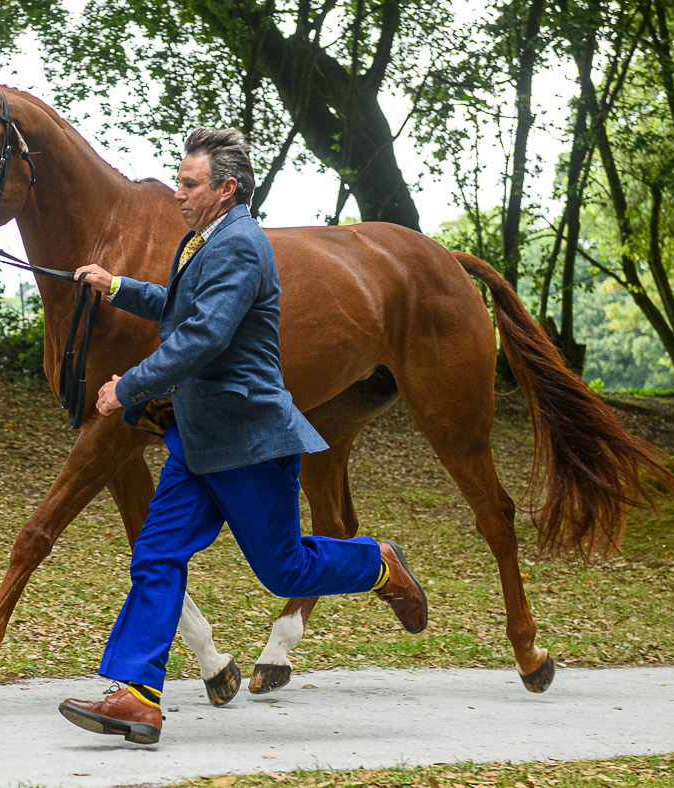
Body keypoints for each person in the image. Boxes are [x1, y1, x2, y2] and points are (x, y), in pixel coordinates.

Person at [62, 128, 427, 745]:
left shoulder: (240, 246)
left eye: (189, 183)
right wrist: (118, 286)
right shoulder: (203, 243)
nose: (177, 193)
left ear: (225, 188)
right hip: (197, 440)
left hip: (249, 441)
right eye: (179, 181)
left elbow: (203, 336)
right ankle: (137, 695)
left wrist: (127, 388)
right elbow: (181, 308)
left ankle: (377, 564)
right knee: (156, 554)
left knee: (285, 571)